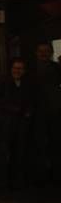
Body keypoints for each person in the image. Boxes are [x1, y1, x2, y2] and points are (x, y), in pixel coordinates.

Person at [0, 58, 34, 189]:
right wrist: (16, 109)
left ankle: (15, 181)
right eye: (15, 68)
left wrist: (27, 111)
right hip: (4, 124)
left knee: (18, 153)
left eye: (20, 68)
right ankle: (3, 183)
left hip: (19, 124)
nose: (17, 71)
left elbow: (30, 100)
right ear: (11, 69)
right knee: (3, 154)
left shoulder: (25, 83)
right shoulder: (2, 82)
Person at [31, 42, 61, 186]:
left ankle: (55, 174)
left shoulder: (57, 68)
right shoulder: (30, 69)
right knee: (40, 145)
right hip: (37, 113)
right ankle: (42, 175)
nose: (43, 53)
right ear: (36, 53)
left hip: (54, 111)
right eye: (41, 51)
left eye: (46, 51)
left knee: (55, 144)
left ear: (50, 52)